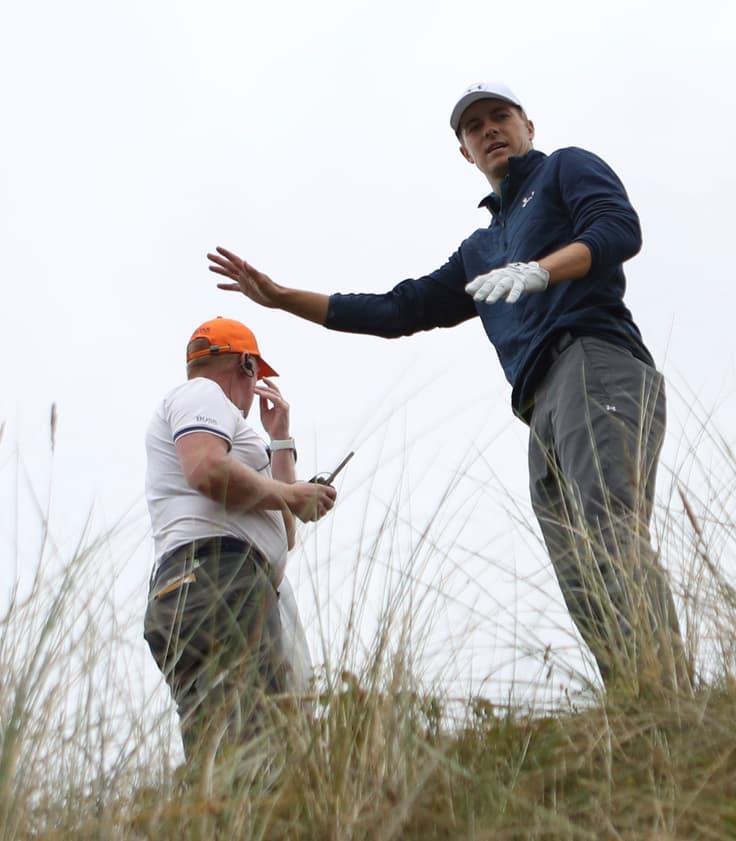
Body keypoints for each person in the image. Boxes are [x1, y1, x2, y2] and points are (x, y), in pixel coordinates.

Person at [207, 82, 685, 692]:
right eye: (474, 127)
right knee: (575, 561)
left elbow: (618, 230)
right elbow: (398, 310)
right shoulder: (479, 249)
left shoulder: (566, 168)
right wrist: (281, 299)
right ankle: (636, 699)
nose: (490, 130)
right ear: (464, 152)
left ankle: (672, 693)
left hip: (594, 361)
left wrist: (542, 269)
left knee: (608, 528)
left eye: (501, 117)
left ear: (528, 126)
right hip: (538, 405)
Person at [144, 317, 337, 760]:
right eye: (256, 378)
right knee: (251, 741)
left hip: (219, 580)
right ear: (246, 366)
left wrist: (281, 440)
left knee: (242, 740)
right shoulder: (202, 395)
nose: (256, 393)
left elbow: (286, 533)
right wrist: (289, 492)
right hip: (216, 575)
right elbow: (206, 469)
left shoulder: (224, 419)